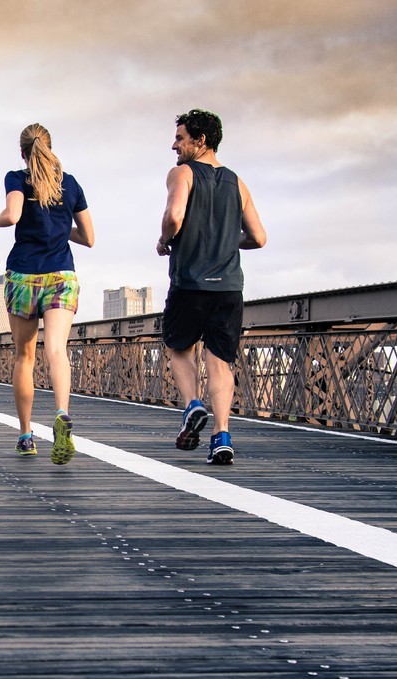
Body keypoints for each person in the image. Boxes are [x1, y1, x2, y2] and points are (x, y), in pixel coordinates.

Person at [156, 109, 266, 465]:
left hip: (190, 282)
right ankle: (221, 437)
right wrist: (225, 242)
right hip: (229, 287)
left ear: (199, 141)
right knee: (220, 363)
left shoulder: (182, 173)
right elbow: (259, 238)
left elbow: (174, 217)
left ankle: (192, 405)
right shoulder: (238, 182)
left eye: (180, 138)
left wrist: (164, 240)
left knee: (178, 347)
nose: (174, 145)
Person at [0, 123, 94, 463]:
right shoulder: (70, 183)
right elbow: (88, 237)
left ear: (22, 152)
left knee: (24, 357)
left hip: (24, 275)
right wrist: (60, 228)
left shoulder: (17, 177)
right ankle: (61, 412)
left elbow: (13, 214)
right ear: (49, 146)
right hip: (61, 273)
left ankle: (27, 435)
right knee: (57, 350)